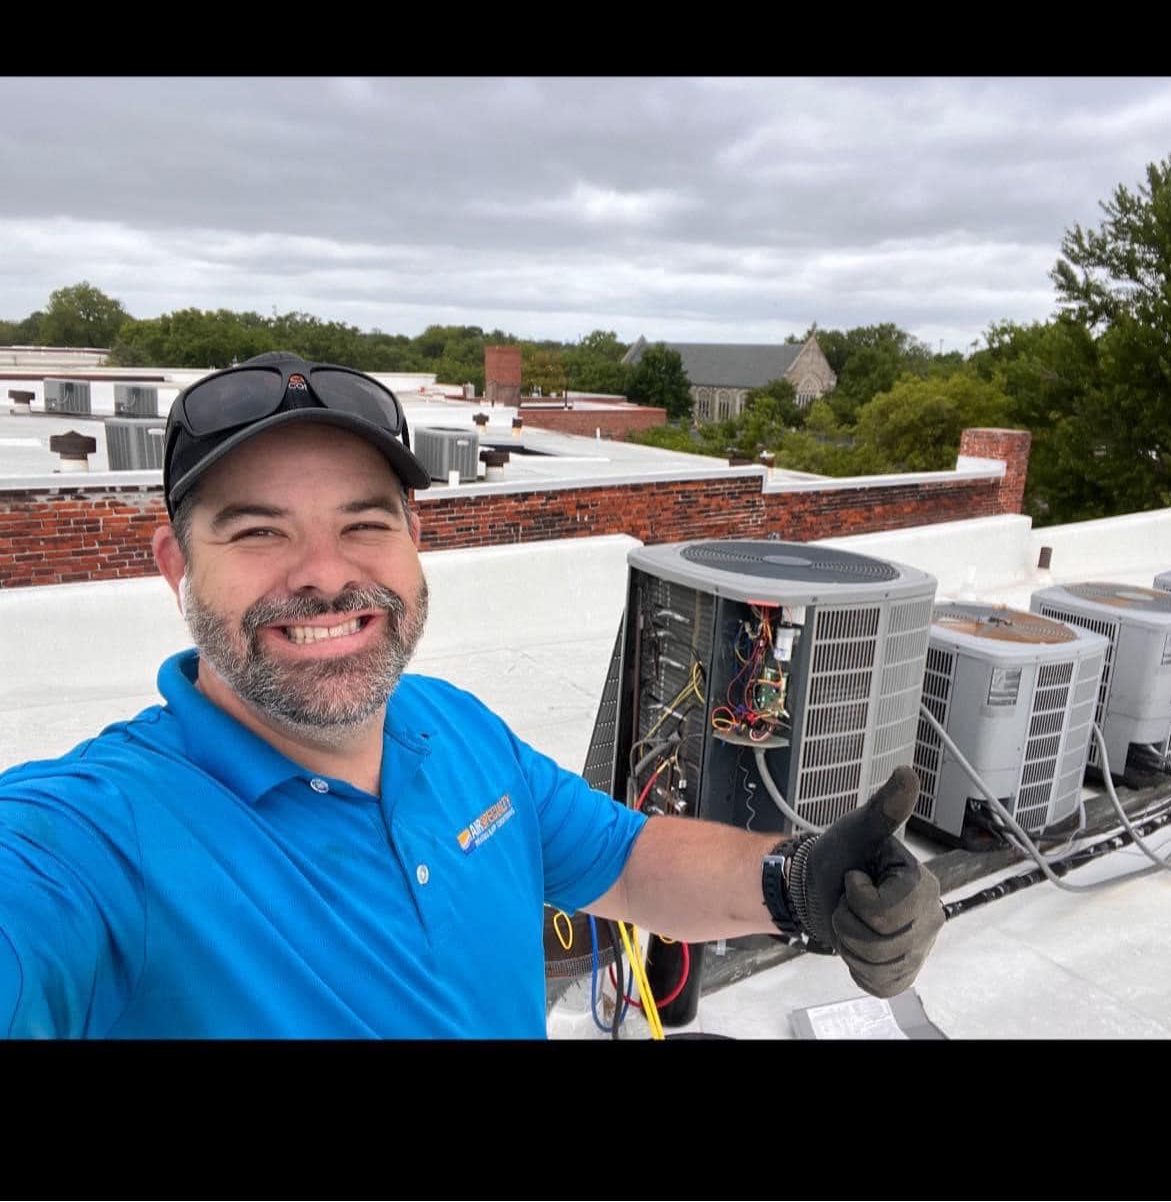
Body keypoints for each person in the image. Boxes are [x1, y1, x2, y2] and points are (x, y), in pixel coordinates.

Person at [0, 353, 943, 1038]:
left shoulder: (453, 729)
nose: (326, 575)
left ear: (415, 539)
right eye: (258, 533)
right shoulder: (93, 837)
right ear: (176, 565)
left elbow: (628, 859)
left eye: (364, 523)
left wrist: (798, 885)